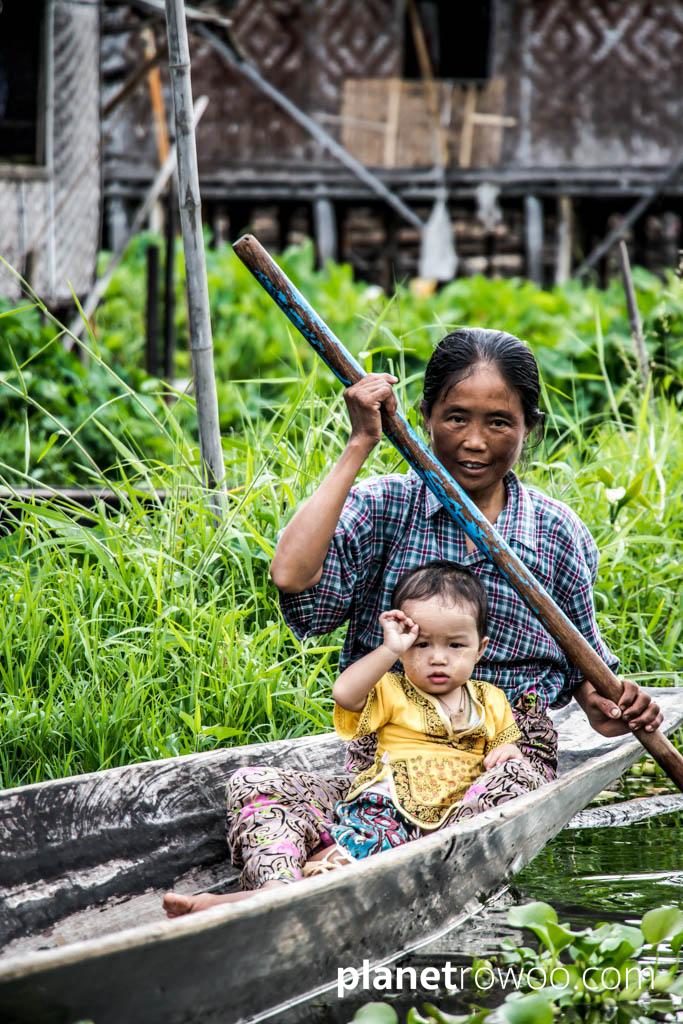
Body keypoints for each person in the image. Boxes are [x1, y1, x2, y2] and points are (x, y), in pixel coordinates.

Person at [163, 327, 662, 917]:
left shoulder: (555, 533)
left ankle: (328, 878)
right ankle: (279, 896)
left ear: (529, 425)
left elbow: (586, 671)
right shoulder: (385, 507)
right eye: (455, 417)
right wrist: (359, 444)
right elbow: (292, 578)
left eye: (499, 422)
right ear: (424, 415)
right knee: (255, 787)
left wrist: (610, 706)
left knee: (515, 784)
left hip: (496, 765)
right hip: (380, 774)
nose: (474, 442)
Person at [307, 561, 525, 871]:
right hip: (391, 804)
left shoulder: (491, 699)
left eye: (456, 645)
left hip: (455, 815)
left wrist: (508, 751)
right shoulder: (392, 689)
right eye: (421, 645)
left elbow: (505, 752)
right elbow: (344, 694)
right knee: (364, 852)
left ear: (479, 649)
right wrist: (390, 649)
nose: (438, 658)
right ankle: (287, 888)